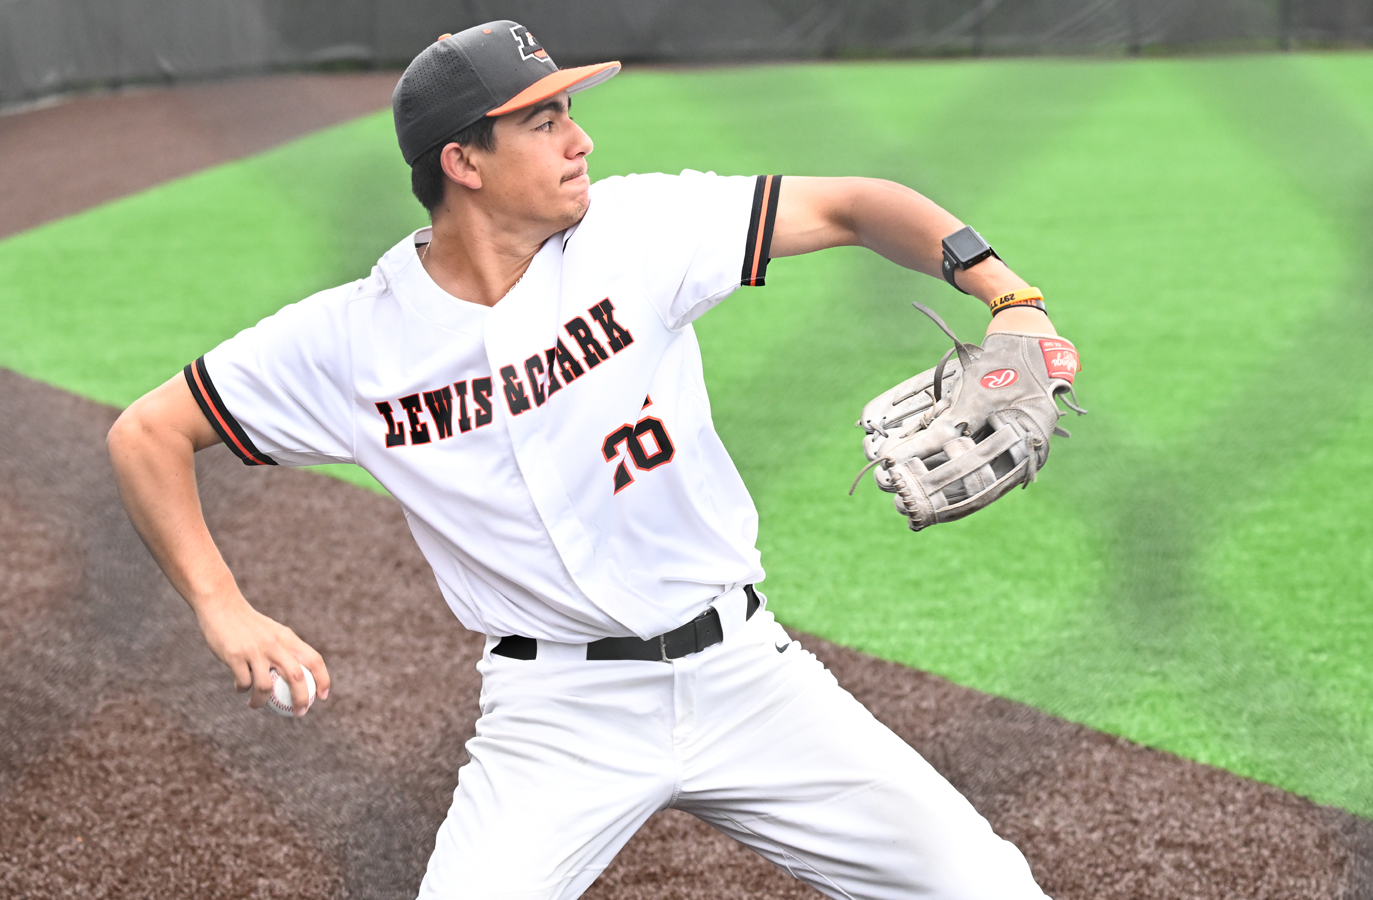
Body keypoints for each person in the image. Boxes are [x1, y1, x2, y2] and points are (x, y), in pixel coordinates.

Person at [108, 20, 1059, 900]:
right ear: (462, 161)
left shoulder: (637, 235)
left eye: (572, 112)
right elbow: (147, 433)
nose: (581, 141)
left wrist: (1012, 299)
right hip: (557, 712)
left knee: (987, 886)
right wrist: (221, 606)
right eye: (544, 120)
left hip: (747, 677)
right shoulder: (352, 342)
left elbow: (859, 204)